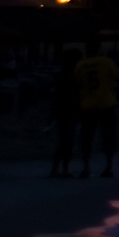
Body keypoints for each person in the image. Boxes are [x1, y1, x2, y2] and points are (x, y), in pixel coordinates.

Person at [74, 42, 119, 178]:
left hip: (88, 104)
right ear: (99, 49)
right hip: (106, 103)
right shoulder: (106, 62)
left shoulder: (81, 65)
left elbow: (78, 84)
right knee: (109, 137)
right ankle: (109, 167)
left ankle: (86, 167)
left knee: (87, 138)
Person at [48, 46, 84, 178]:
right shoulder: (68, 77)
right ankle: (60, 168)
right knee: (66, 140)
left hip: (68, 111)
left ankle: (60, 168)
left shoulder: (67, 76)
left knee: (67, 140)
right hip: (66, 111)